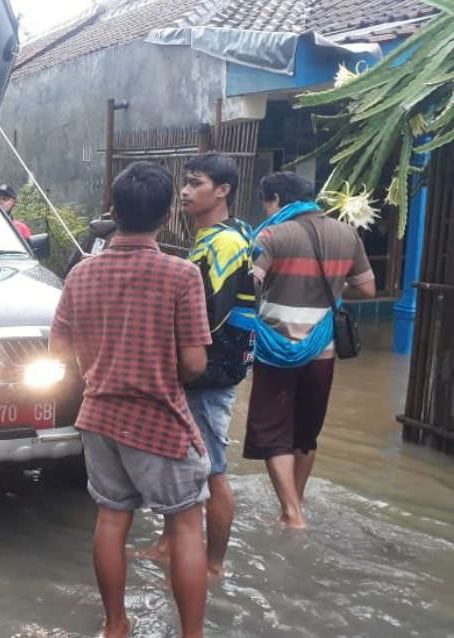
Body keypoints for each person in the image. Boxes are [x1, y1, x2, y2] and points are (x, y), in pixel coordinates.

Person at [50, 162, 211, 638]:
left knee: (112, 518)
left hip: (98, 416)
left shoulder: (80, 274)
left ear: (113, 210)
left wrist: (100, 365)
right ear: (167, 216)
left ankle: (115, 625)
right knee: (185, 526)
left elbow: (57, 351)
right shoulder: (182, 275)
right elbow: (196, 364)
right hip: (159, 418)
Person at [141, 153, 256, 581]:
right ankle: (170, 546)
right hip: (204, 370)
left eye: (196, 183)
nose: (185, 192)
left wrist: (173, 353)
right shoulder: (217, 235)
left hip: (210, 372)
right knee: (186, 464)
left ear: (222, 190)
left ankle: (213, 565)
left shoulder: (225, 242)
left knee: (213, 471)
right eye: (184, 184)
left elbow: (211, 315)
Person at [244, 172, 375, 529]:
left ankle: (292, 514)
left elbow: (248, 283)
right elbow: (368, 288)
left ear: (274, 200)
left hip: (274, 348)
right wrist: (331, 283)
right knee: (305, 433)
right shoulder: (346, 234)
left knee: (273, 433)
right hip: (322, 350)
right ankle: (296, 504)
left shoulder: (270, 234)